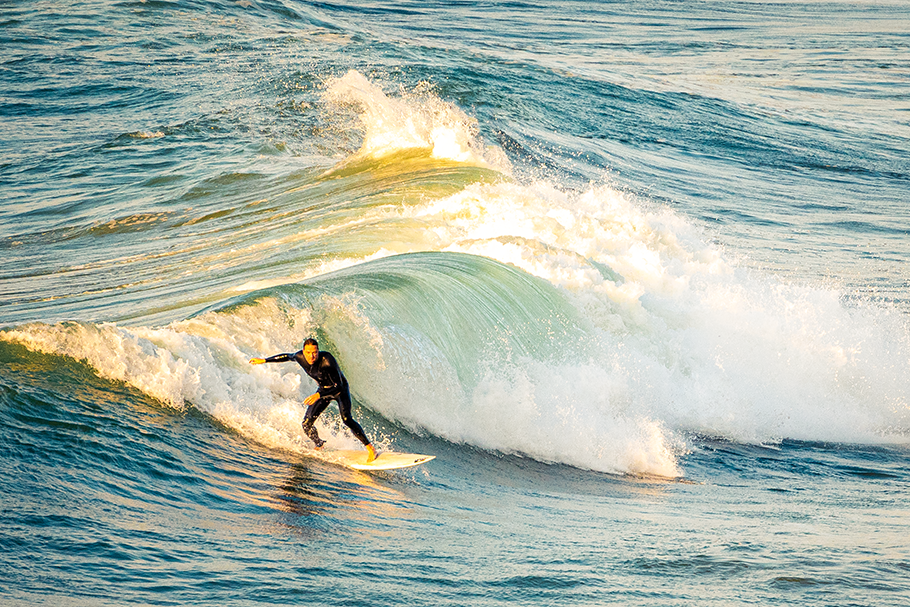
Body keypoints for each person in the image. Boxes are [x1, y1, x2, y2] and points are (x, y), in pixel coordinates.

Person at [250, 338, 377, 462]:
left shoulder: (327, 360)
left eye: (315, 352)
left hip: (339, 390)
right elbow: (287, 356)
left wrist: (318, 395)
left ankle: (370, 448)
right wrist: (264, 360)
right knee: (306, 424)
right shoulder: (299, 357)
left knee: (346, 419)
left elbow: (338, 385)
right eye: (309, 353)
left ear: (318, 351)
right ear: (303, 352)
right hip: (323, 391)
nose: (312, 356)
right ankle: (319, 443)